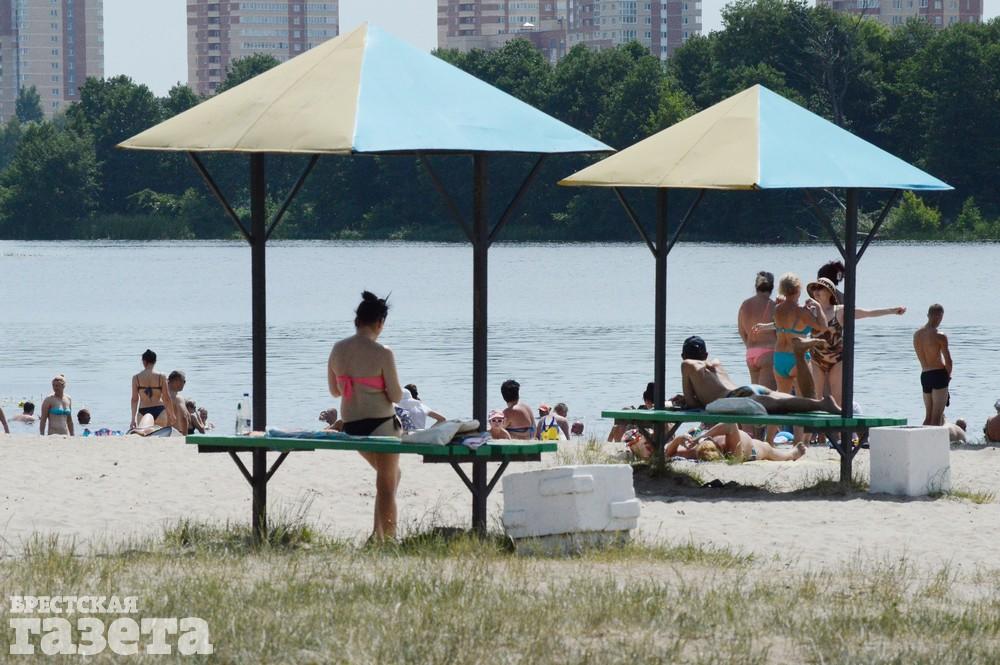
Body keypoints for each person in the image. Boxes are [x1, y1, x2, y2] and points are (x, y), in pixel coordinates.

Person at [328, 291, 404, 542]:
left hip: (352, 426)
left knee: (391, 476)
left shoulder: (338, 349)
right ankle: (389, 540)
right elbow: (396, 395)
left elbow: (334, 391)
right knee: (387, 485)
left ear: (357, 320)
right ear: (380, 323)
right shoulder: (383, 352)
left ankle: (375, 535)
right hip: (382, 426)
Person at [675, 336, 840, 414]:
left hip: (736, 398)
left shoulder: (687, 365)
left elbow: (692, 404)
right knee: (793, 402)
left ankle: (823, 404)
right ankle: (820, 401)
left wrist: (685, 399)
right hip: (746, 389)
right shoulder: (715, 363)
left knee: (784, 405)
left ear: (683, 356)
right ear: (706, 355)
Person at [806, 277, 906, 406]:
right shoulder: (810, 311)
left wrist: (892, 310)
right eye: (814, 288)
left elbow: (867, 313)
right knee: (814, 399)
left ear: (830, 292)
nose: (816, 291)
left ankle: (839, 419)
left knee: (838, 400)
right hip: (816, 360)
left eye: (820, 288)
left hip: (836, 361)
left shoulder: (840, 310)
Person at [772, 273, 827, 399]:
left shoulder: (777, 309)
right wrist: (818, 307)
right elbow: (823, 327)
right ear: (798, 289)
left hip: (779, 357)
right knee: (806, 400)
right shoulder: (801, 311)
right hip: (797, 358)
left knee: (782, 401)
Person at [665, 423, 807, 463]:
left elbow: (667, 453)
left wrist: (677, 440)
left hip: (742, 438)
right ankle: (792, 454)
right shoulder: (733, 451)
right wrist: (704, 436)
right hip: (752, 449)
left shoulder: (695, 452)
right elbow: (730, 425)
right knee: (770, 450)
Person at [737, 271, 777, 390]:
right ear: (772, 287)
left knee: (756, 394)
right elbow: (781, 329)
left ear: (756, 286)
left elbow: (741, 330)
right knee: (767, 395)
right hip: (768, 353)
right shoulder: (773, 305)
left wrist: (748, 345)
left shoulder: (745, 305)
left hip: (751, 353)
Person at [913, 304, 951, 426]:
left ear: (928, 315)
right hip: (939, 374)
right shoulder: (940, 335)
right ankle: (933, 439)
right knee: (936, 418)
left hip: (925, 375)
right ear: (940, 316)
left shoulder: (917, 335)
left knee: (928, 417)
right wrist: (948, 377)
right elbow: (948, 361)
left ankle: (921, 438)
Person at [130, 349, 174, 430]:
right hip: (160, 411)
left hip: (143, 411)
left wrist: (133, 419)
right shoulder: (161, 376)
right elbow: (166, 398)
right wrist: (171, 414)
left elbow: (134, 399)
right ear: (155, 361)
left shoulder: (136, 378)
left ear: (144, 361)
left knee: (144, 434)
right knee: (161, 434)